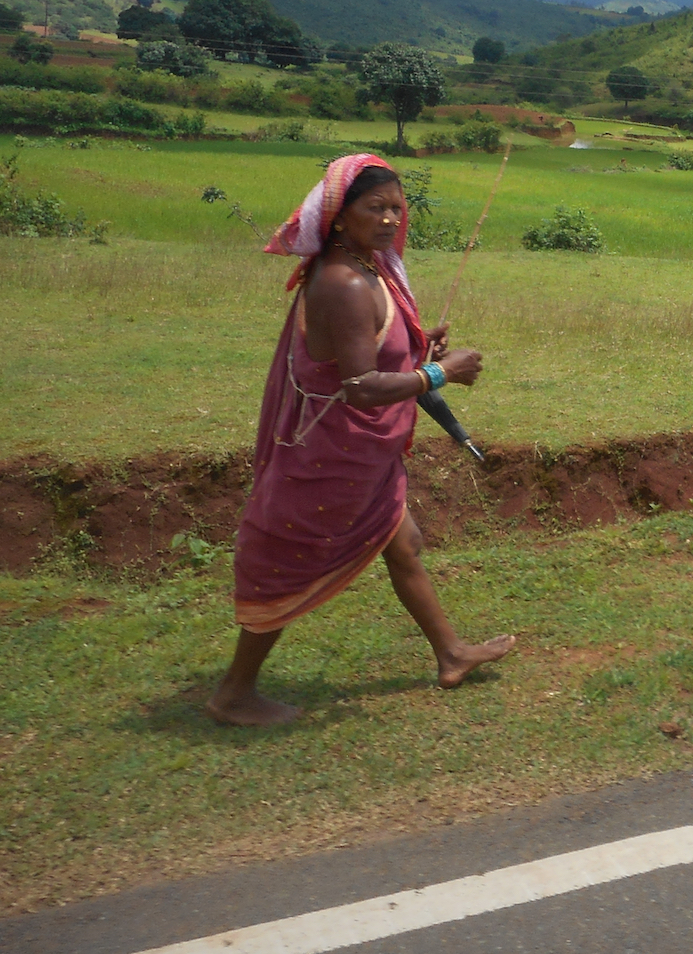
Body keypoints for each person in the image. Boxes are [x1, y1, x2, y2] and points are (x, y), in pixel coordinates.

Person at [206, 154, 515, 726]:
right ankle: (234, 693)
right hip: (333, 455)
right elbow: (361, 387)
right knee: (287, 566)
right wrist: (441, 373)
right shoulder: (346, 282)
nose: (391, 219)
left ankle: (451, 654)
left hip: (358, 454)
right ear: (340, 215)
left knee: (405, 543)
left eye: (397, 207)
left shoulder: (367, 270)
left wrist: (417, 347)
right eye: (376, 208)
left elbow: (372, 349)